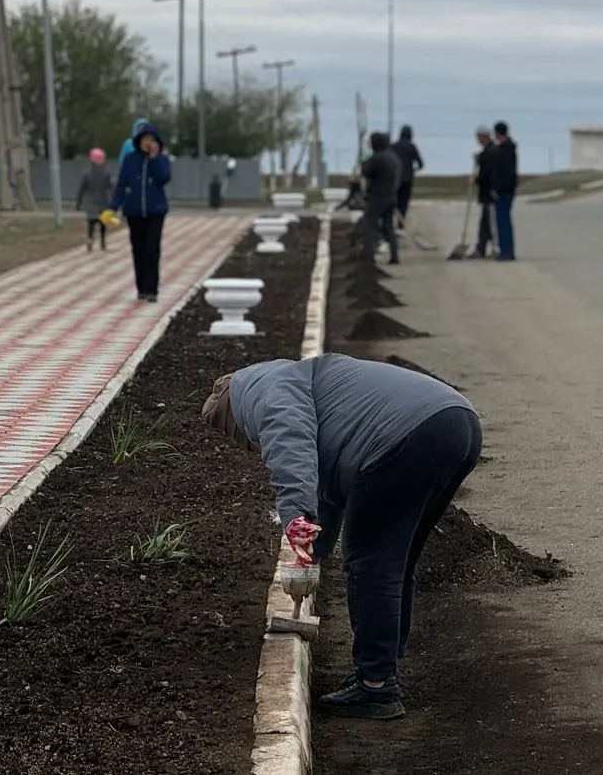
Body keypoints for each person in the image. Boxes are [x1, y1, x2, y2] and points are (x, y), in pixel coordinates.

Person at [201, 354, 482, 720]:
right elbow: (326, 484)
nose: (254, 449)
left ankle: (377, 688)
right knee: (396, 559)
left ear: (235, 420)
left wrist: (297, 520)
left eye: (247, 443)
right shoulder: (296, 380)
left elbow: (292, 445)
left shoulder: (262, 395)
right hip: (456, 423)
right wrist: (314, 550)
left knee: (370, 562)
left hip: (403, 436)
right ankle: (381, 667)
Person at [109, 120, 171, 302]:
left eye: (152, 139)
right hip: (134, 211)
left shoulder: (162, 160)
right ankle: (141, 288)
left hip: (155, 211)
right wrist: (113, 207)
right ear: (138, 140)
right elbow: (121, 185)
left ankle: (152, 289)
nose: (148, 143)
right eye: (145, 139)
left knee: (152, 250)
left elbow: (163, 178)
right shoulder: (131, 159)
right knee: (138, 250)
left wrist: (154, 159)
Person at [359, 132, 402, 265]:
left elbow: (366, 171)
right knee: (389, 227)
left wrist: (363, 161)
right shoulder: (394, 157)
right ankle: (394, 255)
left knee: (370, 226)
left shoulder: (377, 158)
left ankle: (368, 256)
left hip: (377, 197)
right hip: (391, 196)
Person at [490, 121, 519, 261]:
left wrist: (497, 189)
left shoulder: (504, 150)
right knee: (503, 220)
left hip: (504, 190)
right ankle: (506, 249)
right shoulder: (508, 148)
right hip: (508, 188)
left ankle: (506, 251)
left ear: (497, 133)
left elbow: (503, 172)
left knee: (503, 221)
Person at [76, 147, 114, 252]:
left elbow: (81, 189)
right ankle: (97, 242)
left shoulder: (88, 173)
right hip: (99, 201)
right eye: (100, 159)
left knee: (95, 223)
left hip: (96, 202)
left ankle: (96, 241)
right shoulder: (105, 173)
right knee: (97, 223)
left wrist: (78, 204)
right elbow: (111, 187)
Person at [470, 126, 496, 259]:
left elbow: (487, 172)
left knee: (490, 222)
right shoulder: (487, 151)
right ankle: (481, 248)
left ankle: (494, 248)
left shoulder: (491, 150)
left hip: (489, 192)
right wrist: (478, 159)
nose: (478, 140)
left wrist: (476, 179)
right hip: (485, 193)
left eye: (479, 138)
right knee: (484, 222)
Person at [391, 125, 424, 231]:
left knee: (393, 200)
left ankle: (389, 222)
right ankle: (400, 223)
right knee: (404, 202)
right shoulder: (412, 147)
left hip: (394, 178)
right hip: (407, 179)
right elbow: (420, 164)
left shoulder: (393, 146)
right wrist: (413, 170)